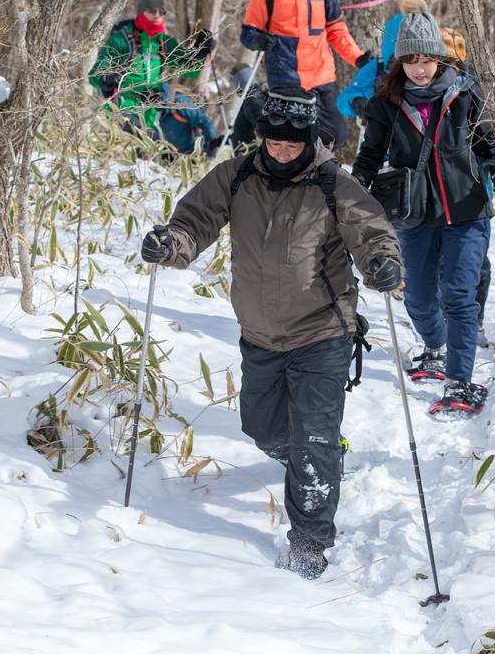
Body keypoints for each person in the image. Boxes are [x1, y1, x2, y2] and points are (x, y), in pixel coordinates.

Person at [139, 87, 402, 580]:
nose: (282, 151)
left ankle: (309, 542)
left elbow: (372, 233)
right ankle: (314, 456)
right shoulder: (236, 176)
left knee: (313, 439)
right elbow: (193, 223)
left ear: (309, 140)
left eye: (292, 144)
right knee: (261, 428)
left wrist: (382, 264)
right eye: (274, 143)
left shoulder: (332, 184)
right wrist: (169, 244)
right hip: (259, 333)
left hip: (323, 330)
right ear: (261, 138)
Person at [351, 13, 495, 416]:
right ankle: (434, 347)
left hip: (465, 209)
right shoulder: (387, 102)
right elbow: (370, 153)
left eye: (427, 59)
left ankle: (460, 380)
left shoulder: (465, 93)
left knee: (457, 294)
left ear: (440, 58)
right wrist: (355, 185)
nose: (420, 69)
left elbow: (489, 143)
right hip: (412, 211)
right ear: (401, 62)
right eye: (411, 60)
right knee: (418, 298)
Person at [240, 0, 372, 148]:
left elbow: (335, 28)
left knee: (336, 134)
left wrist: (357, 58)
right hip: (286, 76)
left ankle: (313, 169)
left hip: (321, 75)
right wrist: (258, 40)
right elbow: (248, 33)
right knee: (292, 137)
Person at [88, 0, 219, 154]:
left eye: (161, 11)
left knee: (152, 162)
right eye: (152, 10)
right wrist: (107, 80)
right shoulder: (121, 40)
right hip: (123, 111)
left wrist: (200, 51)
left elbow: (188, 71)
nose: (157, 15)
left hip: (153, 116)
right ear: (141, 11)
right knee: (133, 158)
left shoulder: (163, 42)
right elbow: (95, 75)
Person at [337, 0, 430, 122]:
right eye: (397, 58)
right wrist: (357, 102)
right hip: (380, 134)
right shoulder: (378, 68)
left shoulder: (430, 69)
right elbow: (345, 99)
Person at [227, 63, 267, 150]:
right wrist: (221, 141)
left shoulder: (252, 100)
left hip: (250, 155)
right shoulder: (251, 99)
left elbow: (264, 129)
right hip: (246, 153)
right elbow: (243, 131)